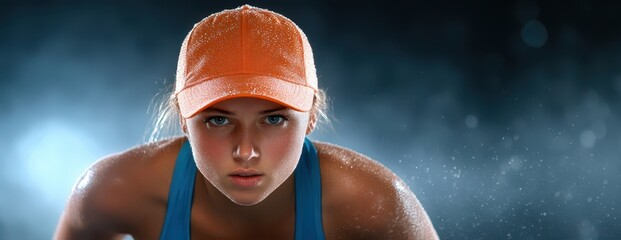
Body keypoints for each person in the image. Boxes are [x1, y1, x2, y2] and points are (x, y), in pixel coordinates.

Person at [54, 5, 438, 240]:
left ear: (311, 118)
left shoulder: (372, 202)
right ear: (184, 121)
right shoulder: (116, 190)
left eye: (273, 119)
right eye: (218, 120)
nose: (246, 150)